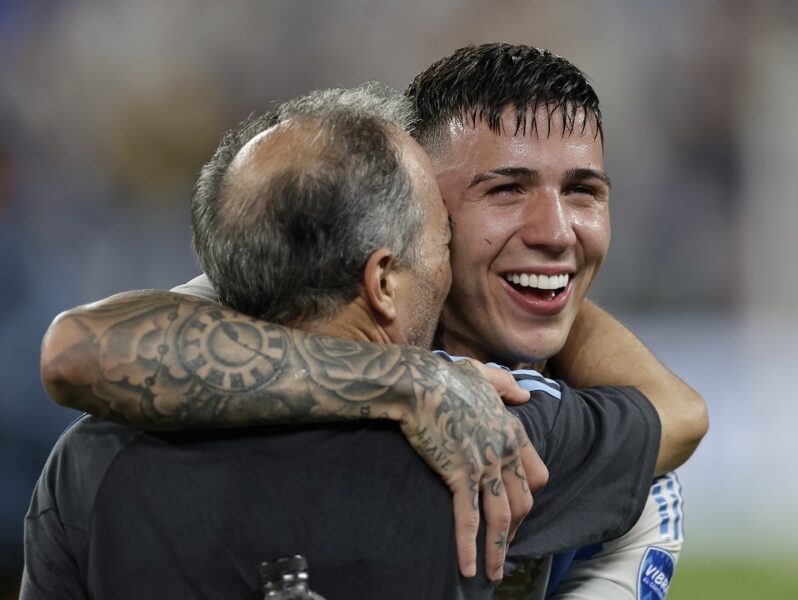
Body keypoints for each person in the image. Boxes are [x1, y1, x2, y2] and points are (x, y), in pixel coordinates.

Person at [37, 44, 708, 598]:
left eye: (583, 192)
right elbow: (673, 418)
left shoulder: (88, 463)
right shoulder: (509, 438)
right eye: (505, 190)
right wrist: (414, 382)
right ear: (403, 232)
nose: (556, 231)